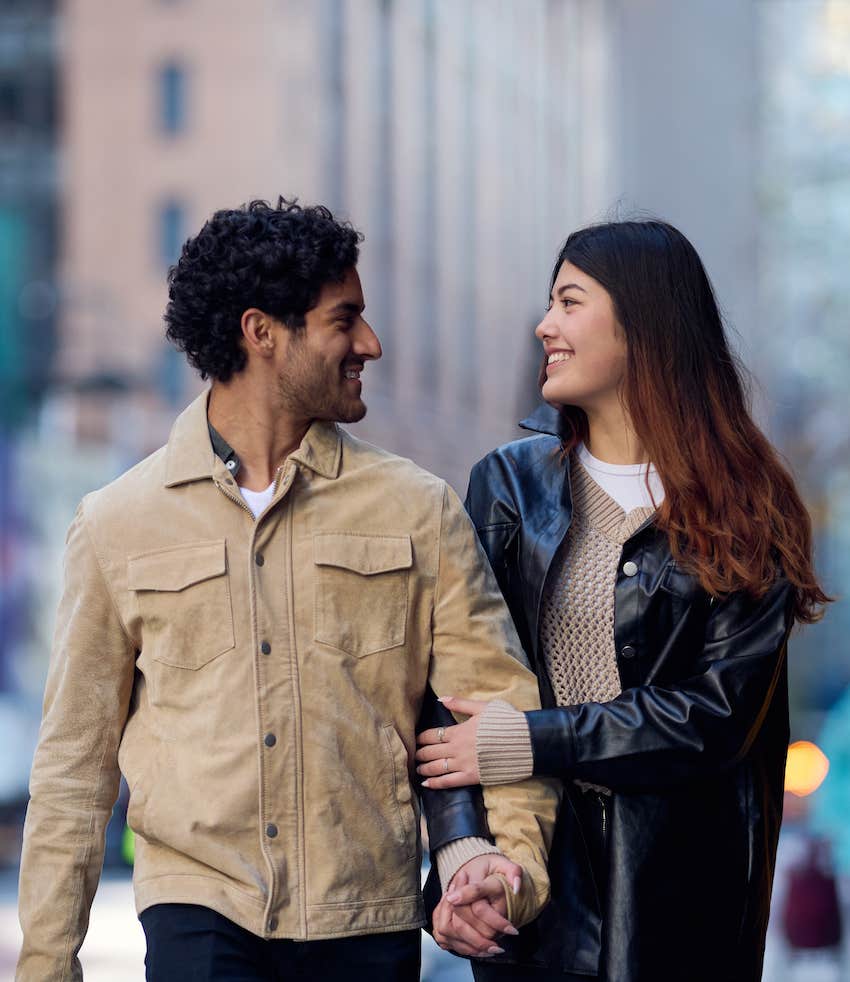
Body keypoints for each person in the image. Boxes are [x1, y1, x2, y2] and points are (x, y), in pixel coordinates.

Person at [16, 198, 560, 981]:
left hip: (366, 921)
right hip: (200, 918)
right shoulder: (116, 525)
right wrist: (45, 964)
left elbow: (501, 711)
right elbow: (75, 765)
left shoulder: (419, 509)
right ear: (262, 332)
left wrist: (513, 873)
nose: (370, 343)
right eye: (346, 319)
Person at [416, 220, 830, 982]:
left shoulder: (748, 502)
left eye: (569, 302)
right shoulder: (508, 486)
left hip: (680, 900)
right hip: (527, 889)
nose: (545, 325)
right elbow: (452, 691)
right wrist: (463, 850)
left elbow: (716, 715)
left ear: (643, 324)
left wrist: (534, 736)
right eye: (548, 304)